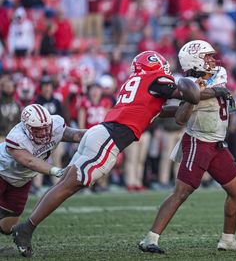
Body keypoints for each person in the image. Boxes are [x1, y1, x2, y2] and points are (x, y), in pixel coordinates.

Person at [12, 50, 200, 257]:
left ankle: (26, 228)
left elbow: (154, 111)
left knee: (66, 183)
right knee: (69, 185)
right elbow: (190, 94)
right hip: (109, 138)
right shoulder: (156, 79)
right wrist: (205, 89)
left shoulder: (138, 82)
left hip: (100, 133)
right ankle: (26, 228)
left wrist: (184, 105)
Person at [139, 40, 236, 253]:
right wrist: (210, 94)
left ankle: (228, 240)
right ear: (194, 59)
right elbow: (183, 115)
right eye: (207, 56)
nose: (212, 60)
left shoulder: (218, 74)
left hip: (217, 144)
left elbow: (217, 105)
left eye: (211, 56)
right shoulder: (186, 83)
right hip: (198, 142)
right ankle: (150, 238)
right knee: (181, 191)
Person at [0, 104, 85, 240]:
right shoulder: (16, 137)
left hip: (21, 181)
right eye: (39, 130)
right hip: (2, 173)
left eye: (47, 128)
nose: (45, 133)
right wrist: (58, 171)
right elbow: (30, 162)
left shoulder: (56, 124)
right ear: (26, 128)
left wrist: (101, 134)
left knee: (7, 227)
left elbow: (77, 136)